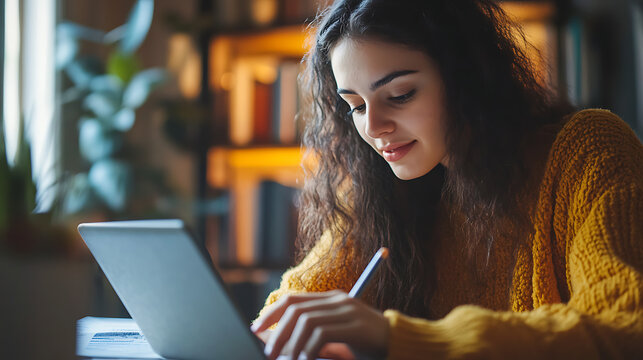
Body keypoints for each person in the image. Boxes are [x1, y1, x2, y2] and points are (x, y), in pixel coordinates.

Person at [250, 0, 643, 359]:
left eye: (400, 94)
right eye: (354, 105)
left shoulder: (585, 151)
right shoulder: (373, 190)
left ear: (467, 77)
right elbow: (298, 303)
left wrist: (394, 337)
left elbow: (626, 326)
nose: (373, 127)